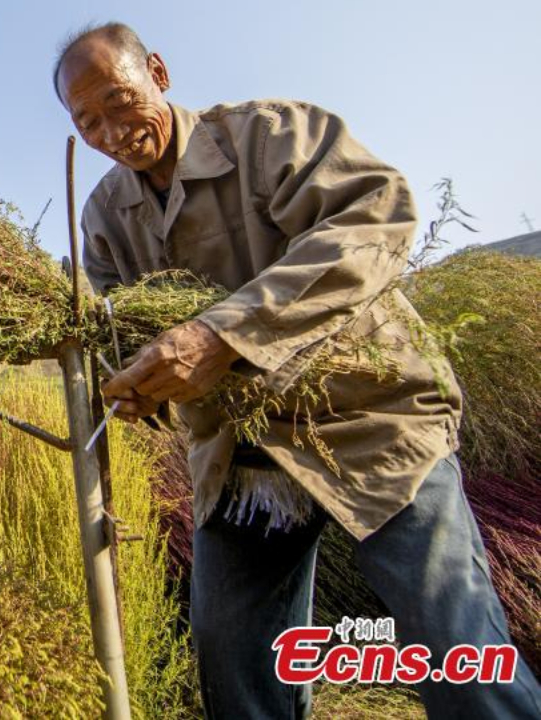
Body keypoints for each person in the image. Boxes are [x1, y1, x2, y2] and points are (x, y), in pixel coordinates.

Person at [53, 21, 541, 719]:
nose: (110, 129)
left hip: (372, 419)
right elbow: (120, 324)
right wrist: (137, 387)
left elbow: (377, 219)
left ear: (158, 72)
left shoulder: (268, 136)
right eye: (87, 120)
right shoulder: (105, 214)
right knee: (235, 662)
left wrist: (221, 335)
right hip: (242, 454)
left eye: (120, 98)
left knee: (457, 650)